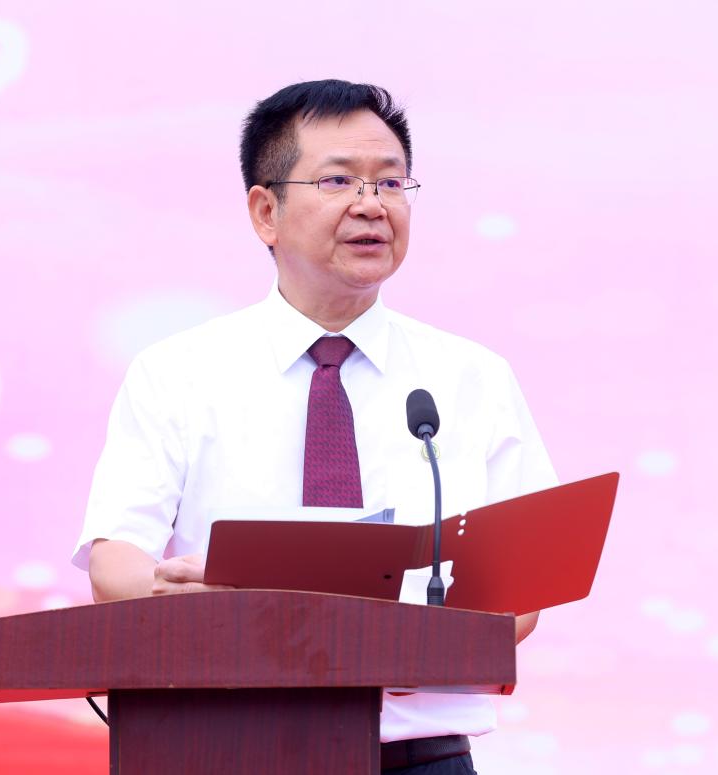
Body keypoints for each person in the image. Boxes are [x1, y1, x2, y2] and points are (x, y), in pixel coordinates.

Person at [73, 79, 558, 774]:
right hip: (224, 752)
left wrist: (396, 644)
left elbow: (521, 590)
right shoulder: (178, 371)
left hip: (418, 758)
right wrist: (198, 605)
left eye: (391, 182)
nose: (371, 205)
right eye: (338, 180)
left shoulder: (471, 377)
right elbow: (115, 558)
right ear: (265, 211)